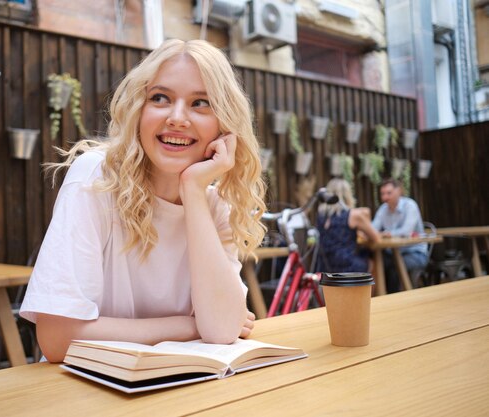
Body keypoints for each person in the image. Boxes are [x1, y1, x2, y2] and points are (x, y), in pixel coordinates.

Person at [19, 39, 267, 362]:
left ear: (224, 126)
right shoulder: (96, 179)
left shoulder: (215, 206)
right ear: (139, 110)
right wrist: (184, 326)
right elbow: (56, 338)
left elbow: (221, 330)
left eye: (200, 103)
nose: (177, 118)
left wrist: (192, 189)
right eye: (160, 98)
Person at [372, 178, 428, 292]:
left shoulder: (410, 205)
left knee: (394, 266)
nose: (385, 197)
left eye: (389, 193)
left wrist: (386, 234)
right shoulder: (383, 209)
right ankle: (380, 297)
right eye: (382, 194)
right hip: (391, 252)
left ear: (399, 191)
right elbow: (373, 228)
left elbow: (406, 231)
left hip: (415, 252)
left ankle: (393, 299)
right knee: (374, 263)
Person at [317, 178, 380, 273]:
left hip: (325, 266)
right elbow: (376, 238)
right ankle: (371, 288)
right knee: (371, 261)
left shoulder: (321, 215)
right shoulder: (353, 215)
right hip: (346, 265)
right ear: (347, 194)